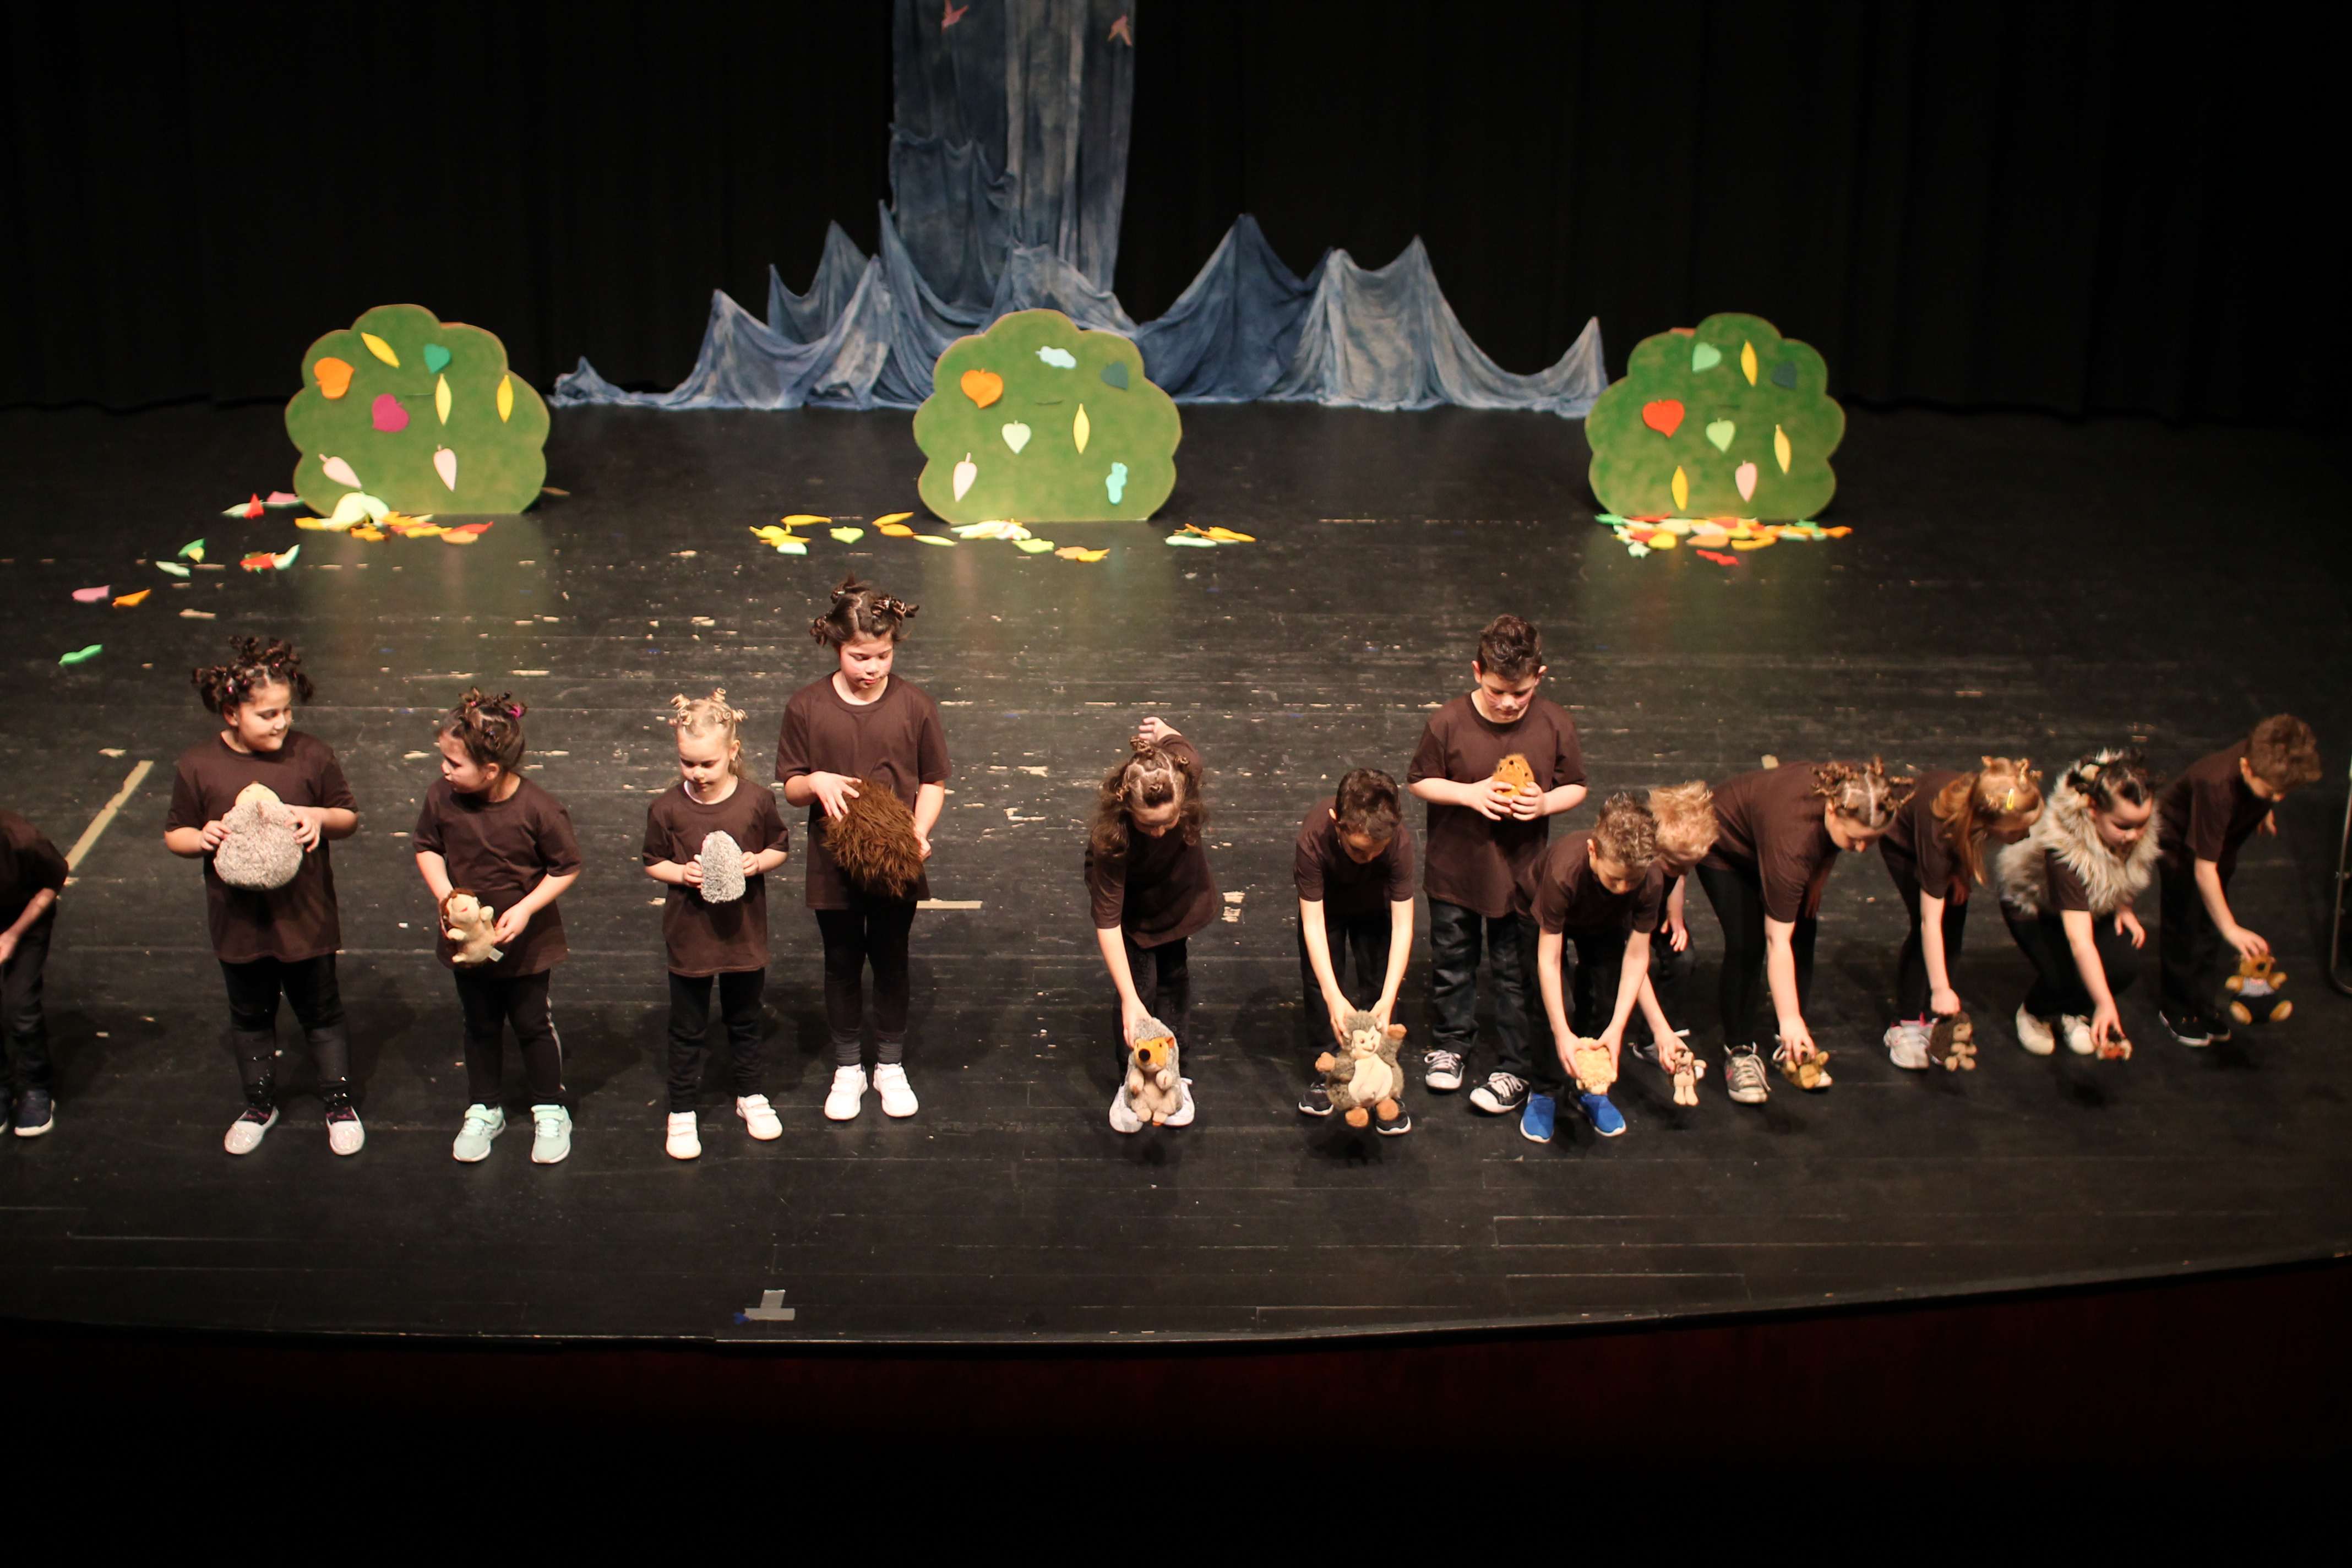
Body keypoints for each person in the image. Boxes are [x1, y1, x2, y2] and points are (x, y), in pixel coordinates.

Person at [162, 637, 363, 1156]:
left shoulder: (312, 754)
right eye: (268, 714)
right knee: (250, 1014)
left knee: (321, 1011)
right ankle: (259, 1104)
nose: (281, 723)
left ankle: (339, 1103)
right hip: (239, 922)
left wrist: (318, 817)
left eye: (287, 711)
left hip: (305, 918)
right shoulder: (198, 764)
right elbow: (175, 834)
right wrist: (200, 838)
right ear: (232, 713)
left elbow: (347, 818)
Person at [775, 575, 949, 1122]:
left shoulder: (915, 705)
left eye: (882, 656)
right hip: (835, 863)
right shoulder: (807, 706)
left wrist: (918, 830)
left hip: (895, 860)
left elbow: (934, 780)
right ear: (835, 646)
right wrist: (816, 781)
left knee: (892, 959)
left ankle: (890, 1065)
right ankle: (848, 1066)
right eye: (859, 657)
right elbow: (791, 785)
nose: (872, 667)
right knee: (842, 961)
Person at [1406, 613, 1587, 1117]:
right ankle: (1452, 1043)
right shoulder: (1447, 722)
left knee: (1514, 973)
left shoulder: (1555, 723)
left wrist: (1544, 803)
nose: (1507, 703)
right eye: (1496, 691)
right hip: (1454, 872)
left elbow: (1576, 785)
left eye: (1520, 693)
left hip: (1521, 877)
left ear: (1540, 678)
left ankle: (1514, 1065)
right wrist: (1469, 793)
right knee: (1453, 964)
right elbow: (1419, 780)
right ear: (1476, 671)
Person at [413, 690, 582, 1164]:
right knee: (480, 1023)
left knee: (531, 1022)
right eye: (444, 759)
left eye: (454, 763)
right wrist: (446, 896)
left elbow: (566, 867)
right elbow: (427, 846)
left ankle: (550, 1107)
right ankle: (485, 1106)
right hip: (467, 944)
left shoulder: (539, 809)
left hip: (526, 944)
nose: (444, 770)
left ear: (490, 770)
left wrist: (526, 909)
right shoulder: (441, 798)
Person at [1698, 758, 1913, 1104]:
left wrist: (1819, 877)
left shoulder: (1861, 790)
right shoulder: (1793, 840)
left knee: (1805, 929)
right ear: (1831, 810)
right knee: (1748, 944)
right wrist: (1790, 1018)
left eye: (1872, 841)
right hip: (1727, 846)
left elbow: (1831, 842)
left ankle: (1791, 1043)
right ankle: (1740, 1051)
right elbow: (1777, 941)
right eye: (1855, 840)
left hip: (1776, 840)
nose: (1861, 850)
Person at [643, 690, 792, 1159]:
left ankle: (750, 1093)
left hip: (742, 934)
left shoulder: (756, 801)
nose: (698, 773)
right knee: (687, 1026)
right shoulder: (666, 808)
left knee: (745, 1019)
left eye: (708, 763)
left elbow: (779, 847)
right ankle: (682, 1109)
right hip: (691, 937)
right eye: (688, 763)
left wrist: (756, 863)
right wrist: (679, 873)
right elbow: (652, 861)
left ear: (732, 751)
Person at [2155, 716, 2323, 1044]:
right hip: (2182, 850)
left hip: (2219, 846)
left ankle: (2202, 1004)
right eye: (2271, 792)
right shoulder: (2217, 786)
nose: (2277, 798)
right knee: (2184, 927)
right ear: (2247, 768)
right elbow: (2203, 870)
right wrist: (2231, 927)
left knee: (2210, 929)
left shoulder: (2263, 758)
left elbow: (2266, 789)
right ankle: (2176, 1008)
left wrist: (2263, 809)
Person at [1088, 718, 1215, 1133]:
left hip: (1177, 895)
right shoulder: (1112, 841)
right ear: (1128, 810)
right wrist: (1129, 999)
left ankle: (1176, 1075)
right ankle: (1132, 1081)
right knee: (1139, 988)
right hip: (1133, 910)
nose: (1159, 832)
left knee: (1174, 980)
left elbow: (1183, 747)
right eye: (1148, 825)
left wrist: (1163, 732)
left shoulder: (1185, 774)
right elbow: (1108, 922)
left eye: (1168, 822)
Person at [1876, 759, 2043, 1068]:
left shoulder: (1984, 805)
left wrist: (1959, 870)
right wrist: (1941, 988)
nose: (2026, 835)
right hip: (1905, 842)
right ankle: (1906, 1022)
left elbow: (1967, 836)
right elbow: (1929, 922)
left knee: (1954, 919)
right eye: (2019, 829)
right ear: (1992, 822)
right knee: (1930, 925)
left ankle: (1934, 1016)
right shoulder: (1938, 832)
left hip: (1951, 841)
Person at [1519, 792, 1664, 1144]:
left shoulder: (1650, 880)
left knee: (1603, 994)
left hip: (1603, 921)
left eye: (1632, 881)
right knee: (1556, 1004)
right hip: (1541, 911)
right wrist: (1562, 1033)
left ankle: (1589, 1088)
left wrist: (1617, 1028)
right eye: (1615, 879)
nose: (1623, 889)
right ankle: (1544, 1090)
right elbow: (1549, 960)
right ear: (1593, 851)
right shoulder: (1564, 872)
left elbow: (1636, 957)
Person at [1995, 749, 2160, 1058]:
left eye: (2141, 825)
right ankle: (2036, 1012)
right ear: (2093, 809)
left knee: (2124, 963)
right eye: (2124, 827)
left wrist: (2123, 906)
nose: (2134, 835)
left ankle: (2072, 1011)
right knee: (2063, 975)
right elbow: (2080, 941)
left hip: (2088, 903)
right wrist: (2105, 1003)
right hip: (2033, 906)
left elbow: (2128, 867)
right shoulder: (2066, 853)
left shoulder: (2133, 826)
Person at [1294, 767, 1415, 1129]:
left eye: (1379, 850)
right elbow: (1313, 923)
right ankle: (1329, 1070)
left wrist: (1389, 997)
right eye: (1360, 850)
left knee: (1379, 982)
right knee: (1321, 985)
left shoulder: (1398, 844)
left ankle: (1383, 1081)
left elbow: (1403, 925)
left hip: (1375, 906)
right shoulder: (1313, 838)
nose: (1370, 857)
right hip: (1327, 909)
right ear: (1338, 822)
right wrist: (1333, 996)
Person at [1626, 781, 1716, 1093]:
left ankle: (1650, 1042)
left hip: (1656, 908)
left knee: (1683, 958)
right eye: (1674, 864)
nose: (1682, 870)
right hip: (1625, 913)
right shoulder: (1635, 867)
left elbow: (1678, 877)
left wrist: (1675, 914)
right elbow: (1634, 960)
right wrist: (1661, 1026)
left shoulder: (1676, 859)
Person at [0, 810, 68, 1137]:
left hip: (24, 920)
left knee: (20, 1007)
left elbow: (53, 880)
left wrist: (13, 935)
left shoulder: (21, 838)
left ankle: (35, 1086)